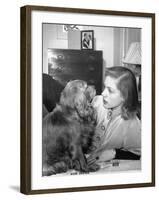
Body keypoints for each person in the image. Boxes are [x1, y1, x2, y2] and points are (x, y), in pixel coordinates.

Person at [87, 66, 141, 165]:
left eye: (110, 91)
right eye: (104, 87)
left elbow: (139, 153)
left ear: (125, 96)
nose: (103, 93)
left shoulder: (131, 123)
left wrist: (113, 153)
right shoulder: (97, 101)